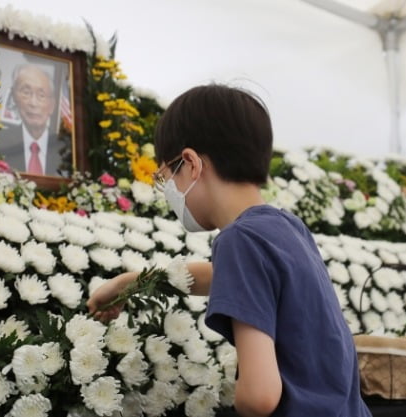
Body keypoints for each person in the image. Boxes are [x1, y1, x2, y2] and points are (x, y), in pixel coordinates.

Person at [87, 84, 372, 417]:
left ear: (191, 163)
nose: (169, 192)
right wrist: (127, 283)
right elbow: (225, 277)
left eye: (166, 177)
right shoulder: (285, 227)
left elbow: (259, 397)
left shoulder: (240, 240)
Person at [0, 64, 72, 176]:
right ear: (14, 98)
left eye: (41, 95)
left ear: (52, 105)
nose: (33, 103)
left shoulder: (65, 148)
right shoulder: (0, 142)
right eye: (26, 93)